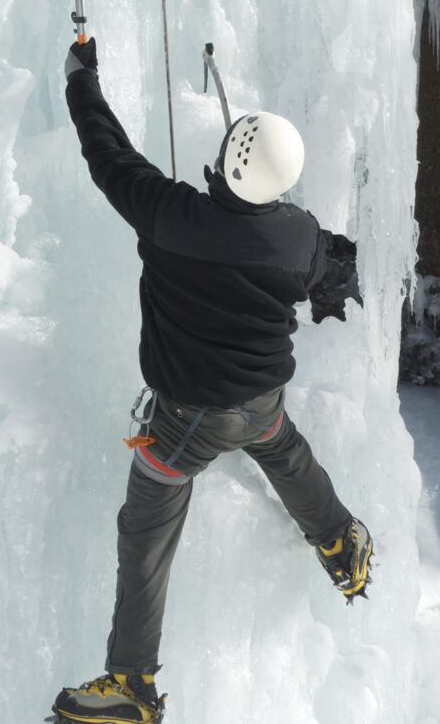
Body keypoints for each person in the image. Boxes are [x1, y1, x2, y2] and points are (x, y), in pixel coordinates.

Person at [50, 39, 373, 724]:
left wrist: (82, 76)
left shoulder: (172, 216)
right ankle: (341, 538)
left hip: (187, 419)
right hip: (260, 405)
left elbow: (107, 153)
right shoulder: (298, 237)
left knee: (147, 528)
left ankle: (131, 682)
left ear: (228, 164)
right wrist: (326, 288)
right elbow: (335, 266)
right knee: (283, 450)